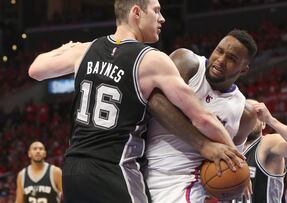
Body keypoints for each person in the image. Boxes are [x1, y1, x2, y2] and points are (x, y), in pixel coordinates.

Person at [28, 0, 244, 202]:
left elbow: (36, 70)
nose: (162, 18)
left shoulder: (85, 50)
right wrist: (236, 158)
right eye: (156, 10)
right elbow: (202, 118)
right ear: (136, 13)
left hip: (73, 170)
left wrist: (67, 48)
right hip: (114, 169)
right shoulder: (151, 59)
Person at [145, 29, 258, 203]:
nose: (221, 60)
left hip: (183, 182)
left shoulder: (245, 114)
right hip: (140, 165)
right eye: (219, 51)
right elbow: (156, 102)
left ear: (244, 69)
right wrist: (202, 144)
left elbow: (229, 161)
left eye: (232, 58)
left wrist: (236, 179)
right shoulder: (187, 62)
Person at [234, 99, 287, 203]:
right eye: (245, 113)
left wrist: (271, 120)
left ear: (264, 123)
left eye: (256, 114)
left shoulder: (267, 142)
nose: (251, 118)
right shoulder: (231, 149)